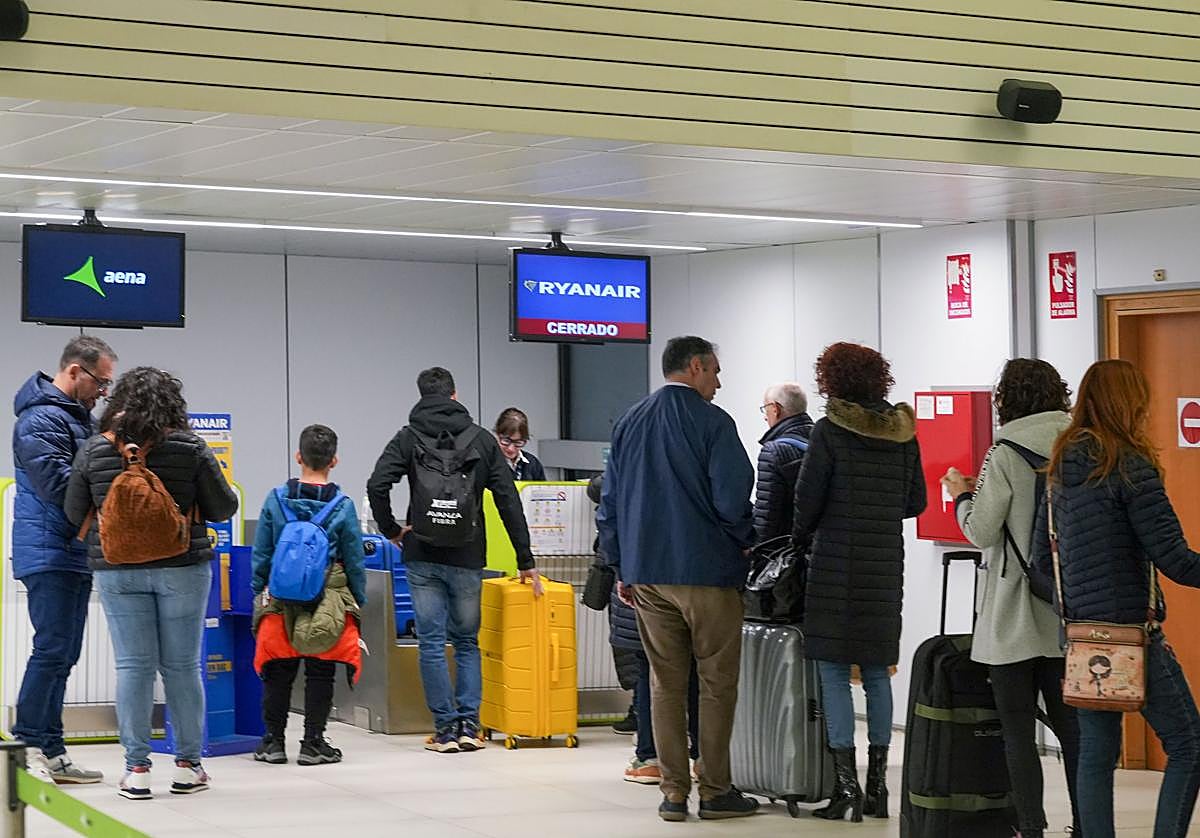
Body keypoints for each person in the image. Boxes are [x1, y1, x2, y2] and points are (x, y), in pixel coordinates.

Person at [1032, 359, 1200, 838]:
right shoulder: (1130, 466)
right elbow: (1176, 559)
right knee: (1188, 742)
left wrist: (1083, 609)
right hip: (1133, 634)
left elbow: (1042, 563)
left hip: (1082, 637)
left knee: (1096, 755)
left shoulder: (1058, 469)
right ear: (1131, 405)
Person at [597, 335, 759, 822]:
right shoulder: (713, 422)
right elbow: (732, 499)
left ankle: (672, 793)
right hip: (708, 572)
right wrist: (746, 538)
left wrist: (622, 565)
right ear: (695, 367)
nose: (718, 381)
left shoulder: (629, 422)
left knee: (665, 684)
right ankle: (714, 790)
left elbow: (610, 503)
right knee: (716, 683)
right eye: (714, 371)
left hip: (646, 575)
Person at [65, 367, 238, 800]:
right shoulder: (190, 446)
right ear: (172, 404)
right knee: (181, 667)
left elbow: (72, 514)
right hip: (183, 566)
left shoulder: (95, 449)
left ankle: (136, 769)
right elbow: (223, 509)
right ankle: (187, 766)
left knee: (133, 667)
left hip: (116, 570)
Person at [941, 359, 1081, 838]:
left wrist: (960, 495)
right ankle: (1088, 822)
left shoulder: (1004, 453)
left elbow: (981, 531)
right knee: (1076, 734)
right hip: (1067, 610)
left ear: (1007, 399)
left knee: (1018, 733)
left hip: (1013, 615)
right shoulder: (1078, 444)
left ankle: (1031, 827)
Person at [368, 367, 540, 754]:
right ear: (454, 395)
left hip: (422, 554)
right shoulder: (480, 439)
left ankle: (444, 730)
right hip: (467, 555)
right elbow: (508, 500)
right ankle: (469, 726)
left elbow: (377, 484)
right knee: (466, 642)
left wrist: (391, 530)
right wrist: (525, 558)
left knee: (431, 642)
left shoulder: (409, 437)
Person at [791, 342, 925, 822]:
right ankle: (879, 789)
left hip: (833, 566)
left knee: (832, 672)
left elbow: (806, 501)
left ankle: (845, 792)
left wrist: (803, 534)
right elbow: (917, 503)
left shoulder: (829, 431)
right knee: (876, 670)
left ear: (831, 380)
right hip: (885, 564)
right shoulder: (904, 434)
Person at [11, 334, 117, 784]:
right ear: (74, 370)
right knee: (52, 648)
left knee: (64, 652)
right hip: (49, 550)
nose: (102, 392)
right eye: (101, 382)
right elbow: (60, 486)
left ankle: (53, 752)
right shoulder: (40, 420)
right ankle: (27, 744)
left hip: (73, 551)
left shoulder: (81, 421)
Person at [251, 424, 366, 767]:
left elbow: (262, 553)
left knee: (278, 670)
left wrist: (259, 594)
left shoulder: (275, 499)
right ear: (334, 460)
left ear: (298, 457)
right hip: (328, 597)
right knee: (320, 670)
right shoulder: (343, 506)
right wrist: (356, 599)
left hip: (281, 598)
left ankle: (273, 742)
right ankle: (313, 743)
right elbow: (355, 558)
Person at [588, 475, 699, 784]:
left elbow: (604, 509)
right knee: (690, 671)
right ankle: (700, 756)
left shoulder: (626, 480)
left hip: (637, 584)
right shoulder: (683, 480)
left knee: (649, 674)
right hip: (682, 582)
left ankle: (650, 757)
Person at [754, 381, 814, 542]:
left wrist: (756, 550)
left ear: (775, 408)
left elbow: (767, 516)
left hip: (788, 549)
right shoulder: (823, 442)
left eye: (765, 409)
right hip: (821, 548)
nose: (765, 416)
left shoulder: (773, 452)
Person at [493, 407, 546, 481]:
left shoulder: (533, 463)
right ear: (497, 435)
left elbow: (542, 491)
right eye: (506, 441)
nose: (511, 448)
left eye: (518, 443)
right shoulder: (488, 462)